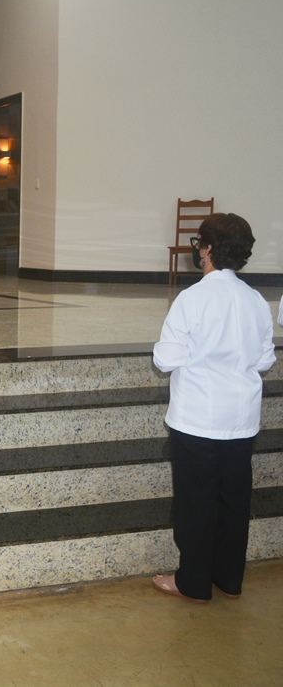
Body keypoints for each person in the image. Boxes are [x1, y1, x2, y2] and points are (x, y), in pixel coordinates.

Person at [152, 212, 276, 603]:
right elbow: (265, 359)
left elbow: (165, 360)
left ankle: (193, 582)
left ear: (206, 249)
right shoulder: (255, 300)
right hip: (241, 418)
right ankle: (228, 578)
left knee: (196, 502)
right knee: (234, 502)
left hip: (197, 418)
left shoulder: (193, 299)